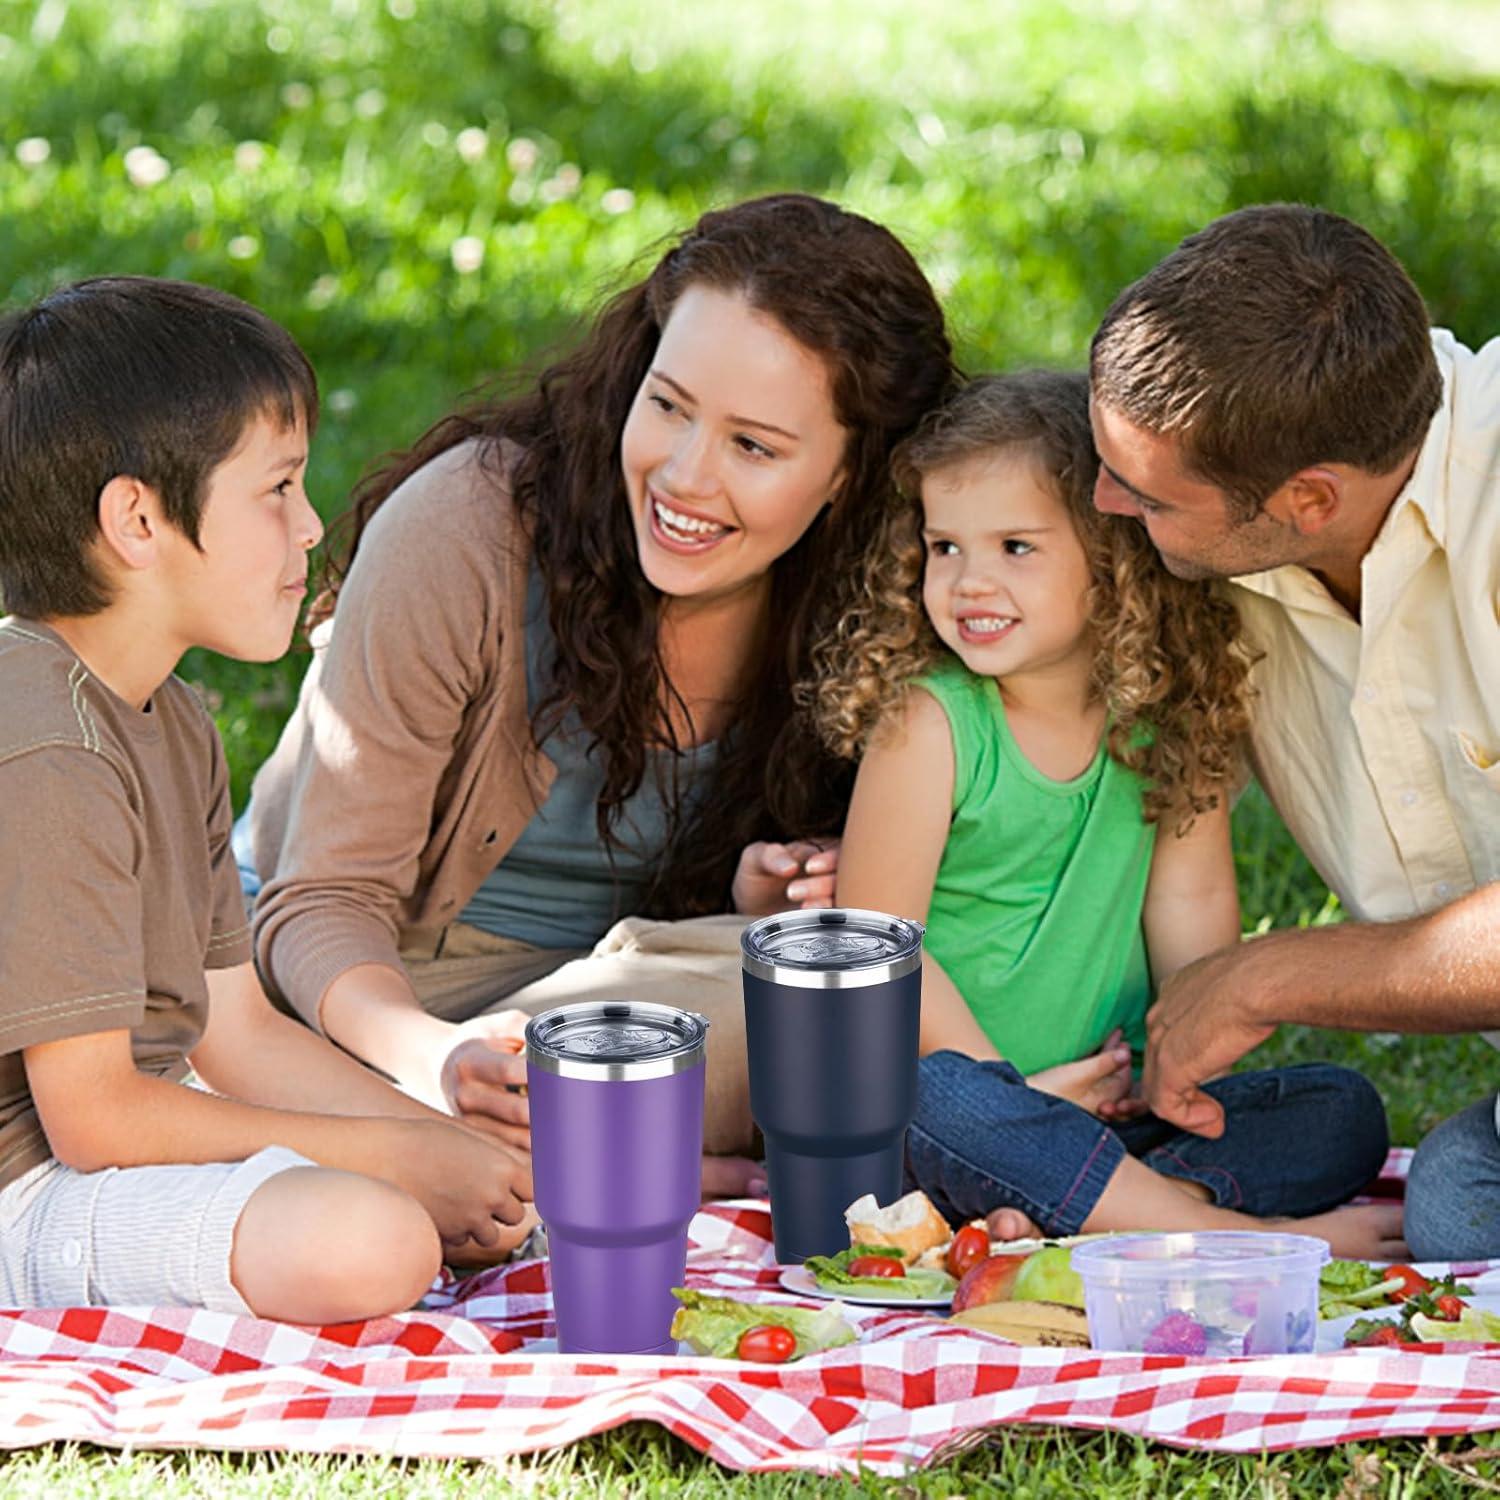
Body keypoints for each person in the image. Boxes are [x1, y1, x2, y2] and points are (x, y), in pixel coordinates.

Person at [242, 194, 959, 1243]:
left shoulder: (893, 600)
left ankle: (512, 1151)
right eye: (668, 405)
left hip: (606, 1010)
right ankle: (487, 1144)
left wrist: (780, 879)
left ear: (852, 475)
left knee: (832, 999)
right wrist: (430, 1061)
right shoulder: (467, 530)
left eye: (754, 447)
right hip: (353, 985)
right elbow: (318, 899)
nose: (682, 476)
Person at [0, 278, 534, 1320]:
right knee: (372, 1237)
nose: (312, 525)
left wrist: (438, 1145)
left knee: (443, 1186)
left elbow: (235, 1030)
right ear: (139, 519)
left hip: (129, 1135)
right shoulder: (45, 745)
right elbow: (94, 1120)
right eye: (277, 490)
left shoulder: (174, 717)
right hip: (26, 1184)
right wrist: (392, 1161)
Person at [815, 370, 1401, 1258]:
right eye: (945, 547)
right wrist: (1018, 1093)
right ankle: (1234, 1237)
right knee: (947, 1104)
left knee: (1340, 1111)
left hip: (1113, 1113)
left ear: (1113, 559)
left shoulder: (1168, 716)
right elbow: (878, 953)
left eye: (1015, 547)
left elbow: (1189, 910)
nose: (969, 580)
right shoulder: (929, 722)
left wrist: (1186, 1072)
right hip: (955, 1112)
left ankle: (1110, 1209)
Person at [1088, 202, 1500, 1260]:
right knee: (1457, 1208)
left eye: (1143, 494)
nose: (1102, 501)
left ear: (1310, 497)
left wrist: (1265, 977)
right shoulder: (1222, 557)